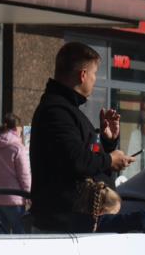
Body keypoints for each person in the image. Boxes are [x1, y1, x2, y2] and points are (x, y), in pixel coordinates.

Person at [28, 41, 136, 232]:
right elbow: (77, 160)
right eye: (94, 74)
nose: (95, 80)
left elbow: (83, 157)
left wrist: (107, 142)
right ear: (83, 75)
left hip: (74, 222)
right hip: (63, 226)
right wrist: (110, 159)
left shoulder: (66, 109)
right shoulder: (56, 111)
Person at [0, 113, 31, 234]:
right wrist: (29, 194)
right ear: (16, 128)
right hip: (13, 198)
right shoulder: (17, 148)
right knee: (19, 236)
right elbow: (24, 175)